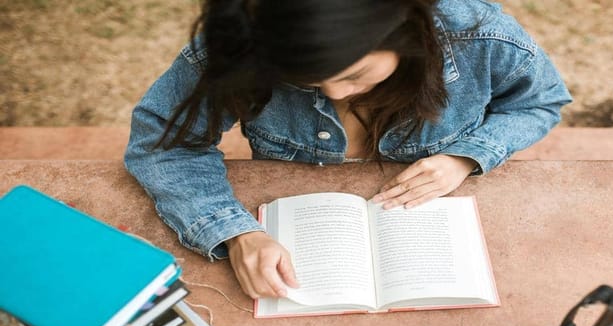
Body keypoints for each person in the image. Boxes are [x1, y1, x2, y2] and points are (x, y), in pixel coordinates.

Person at [125, 0, 572, 300]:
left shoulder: (480, 36)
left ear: (405, 31)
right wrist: (235, 232)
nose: (337, 93)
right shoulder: (244, 40)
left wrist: (467, 156)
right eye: (306, 80)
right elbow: (162, 144)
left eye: (356, 73)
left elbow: (539, 102)